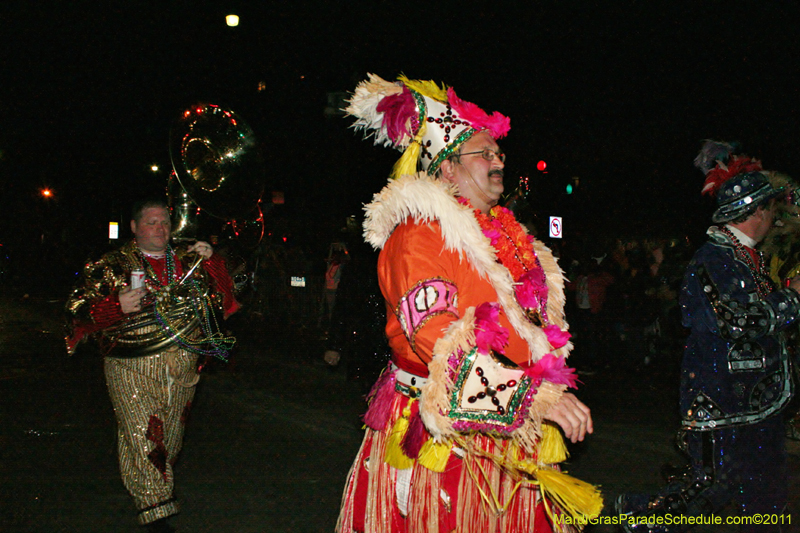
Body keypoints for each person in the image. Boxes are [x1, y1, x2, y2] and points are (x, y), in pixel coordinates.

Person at [335, 74, 600, 533]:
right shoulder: (418, 234)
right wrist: (534, 396)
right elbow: (436, 339)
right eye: (485, 153)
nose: (498, 161)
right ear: (447, 168)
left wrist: (541, 386)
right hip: (447, 439)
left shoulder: (511, 238)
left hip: (514, 427)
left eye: (499, 153)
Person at [616, 141, 800, 532]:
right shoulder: (714, 259)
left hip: (752, 404)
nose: (776, 219)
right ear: (758, 212)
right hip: (725, 405)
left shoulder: (742, 257)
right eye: (772, 210)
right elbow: (738, 321)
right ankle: (634, 517)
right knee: (711, 491)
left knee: (762, 497)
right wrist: (793, 298)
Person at [65, 198, 240, 533]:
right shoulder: (111, 264)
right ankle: (157, 514)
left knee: (168, 442)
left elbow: (224, 301)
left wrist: (213, 261)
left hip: (183, 368)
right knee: (146, 436)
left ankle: (150, 491)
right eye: (151, 222)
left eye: (165, 222)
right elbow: (76, 311)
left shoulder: (187, 260)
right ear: (134, 227)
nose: (160, 229)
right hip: (130, 366)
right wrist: (114, 307)